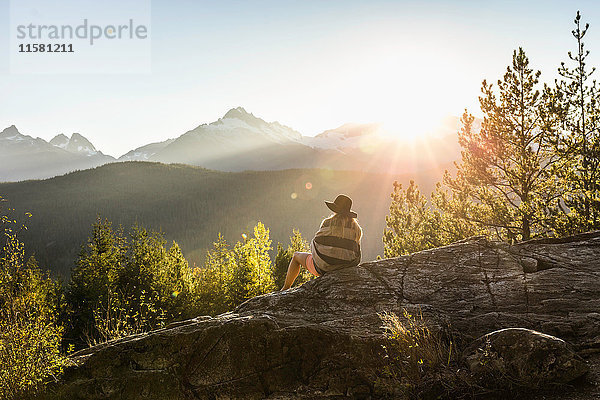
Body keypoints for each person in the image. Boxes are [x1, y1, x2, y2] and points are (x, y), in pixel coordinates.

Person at [280, 194, 362, 290]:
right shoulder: (356, 228)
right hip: (346, 267)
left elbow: (316, 243)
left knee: (296, 256)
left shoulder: (328, 223)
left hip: (323, 268)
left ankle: (285, 288)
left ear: (335, 209)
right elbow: (356, 251)